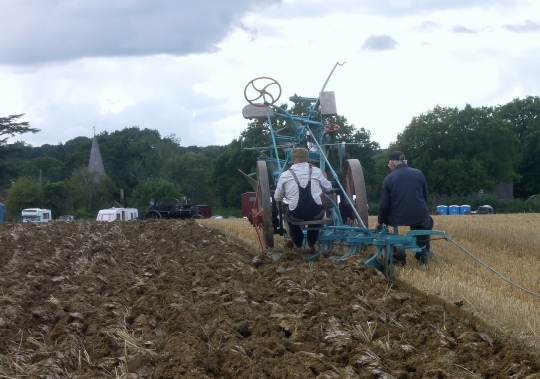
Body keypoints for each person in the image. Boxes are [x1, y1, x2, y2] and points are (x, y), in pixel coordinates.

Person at [377, 151, 434, 264]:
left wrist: (380, 221)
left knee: (416, 221)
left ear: (393, 163)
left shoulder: (389, 178)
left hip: (397, 217)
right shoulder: (418, 173)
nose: (389, 166)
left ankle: (396, 250)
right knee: (426, 222)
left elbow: (384, 204)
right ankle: (423, 251)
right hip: (419, 214)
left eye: (389, 164)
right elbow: (425, 196)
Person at [274, 147, 333, 252]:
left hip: (296, 214)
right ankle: (312, 243)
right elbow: (328, 188)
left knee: (290, 218)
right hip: (315, 212)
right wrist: (325, 177)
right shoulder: (317, 171)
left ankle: (298, 243)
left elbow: (277, 197)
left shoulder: (285, 175)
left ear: (293, 159)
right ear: (307, 159)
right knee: (317, 218)